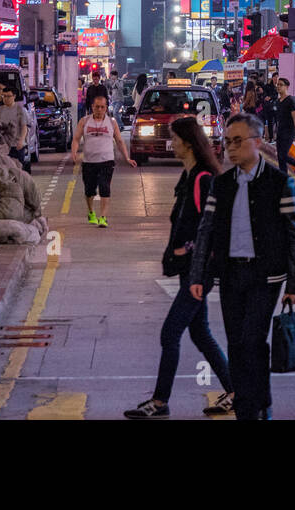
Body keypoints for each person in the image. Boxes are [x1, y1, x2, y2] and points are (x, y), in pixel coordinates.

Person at [189, 114, 295, 420]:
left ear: (256, 142)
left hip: (266, 276)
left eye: (237, 141)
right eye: (227, 142)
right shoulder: (221, 184)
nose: (230, 148)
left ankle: (255, 407)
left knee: (253, 341)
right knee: (236, 345)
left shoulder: (280, 183)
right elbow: (207, 230)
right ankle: (249, 407)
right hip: (230, 275)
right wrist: (198, 274)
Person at [125, 116, 234, 419]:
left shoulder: (203, 179)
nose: (171, 143)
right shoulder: (188, 177)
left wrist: (187, 249)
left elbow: (211, 228)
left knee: (169, 333)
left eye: (174, 138)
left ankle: (160, 402)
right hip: (190, 269)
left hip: (199, 272)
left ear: (187, 142)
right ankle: (235, 390)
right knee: (200, 334)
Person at [71, 93, 137, 228]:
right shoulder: (84, 121)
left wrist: (127, 157)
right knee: (89, 190)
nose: (99, 110)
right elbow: (76, 139)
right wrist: (74, 153)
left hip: (107, 161)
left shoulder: (112, 123)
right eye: (97, 107)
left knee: (104, 188)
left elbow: (119, 141)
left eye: (102, 107)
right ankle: (91, 212)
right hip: (89, 162)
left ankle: (103, 217)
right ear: (92, 107)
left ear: (106, 108)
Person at [273, 77, 295, 178]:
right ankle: (284, 181)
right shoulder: (278, 101)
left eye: (281, 85)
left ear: (287, 87)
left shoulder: (291, 100)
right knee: (280, 157)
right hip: (280, 131)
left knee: (283, 155)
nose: (278, 87)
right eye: (277, 84)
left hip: (289, 132)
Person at [0, 86, 31, 173]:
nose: (6, 99)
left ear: (14, 96)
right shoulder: (0, 110)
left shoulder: (20, 110)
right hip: (4, 146)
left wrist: (21, 141)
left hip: (16, 146)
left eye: (8, 96)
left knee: (17, 169)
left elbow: (24, 127)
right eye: (4, 96)